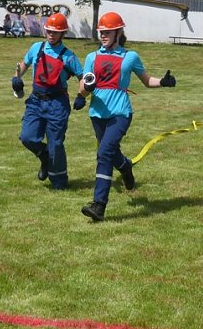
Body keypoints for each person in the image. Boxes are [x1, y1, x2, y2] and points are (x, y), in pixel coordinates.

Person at [77, 12, 176, 221]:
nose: (103, 35)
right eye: (101, 32)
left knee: (103, 152)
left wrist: (164, 82)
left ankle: (99, 205)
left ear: (118, 32)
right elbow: (83, 85)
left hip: (120, 113)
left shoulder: (130, 57)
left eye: (108, 32)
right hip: (97, 113)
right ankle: (125, 167)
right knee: (110, 153)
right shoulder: (91, 58)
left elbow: (147, 80)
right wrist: (83, 93)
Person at [13, 13, 83, 190]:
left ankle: (59, 181)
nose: (51, 35)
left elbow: (83, 78)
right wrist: (16, 78)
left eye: (55, 32)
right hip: (36, 101)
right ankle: (43, 156)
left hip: (57, 104)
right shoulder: (37, 47)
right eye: (49, 31)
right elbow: (23, 64)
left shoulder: (69, 56)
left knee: (56, 144)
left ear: (62, 34)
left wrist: (82, 95)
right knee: (27, 137)